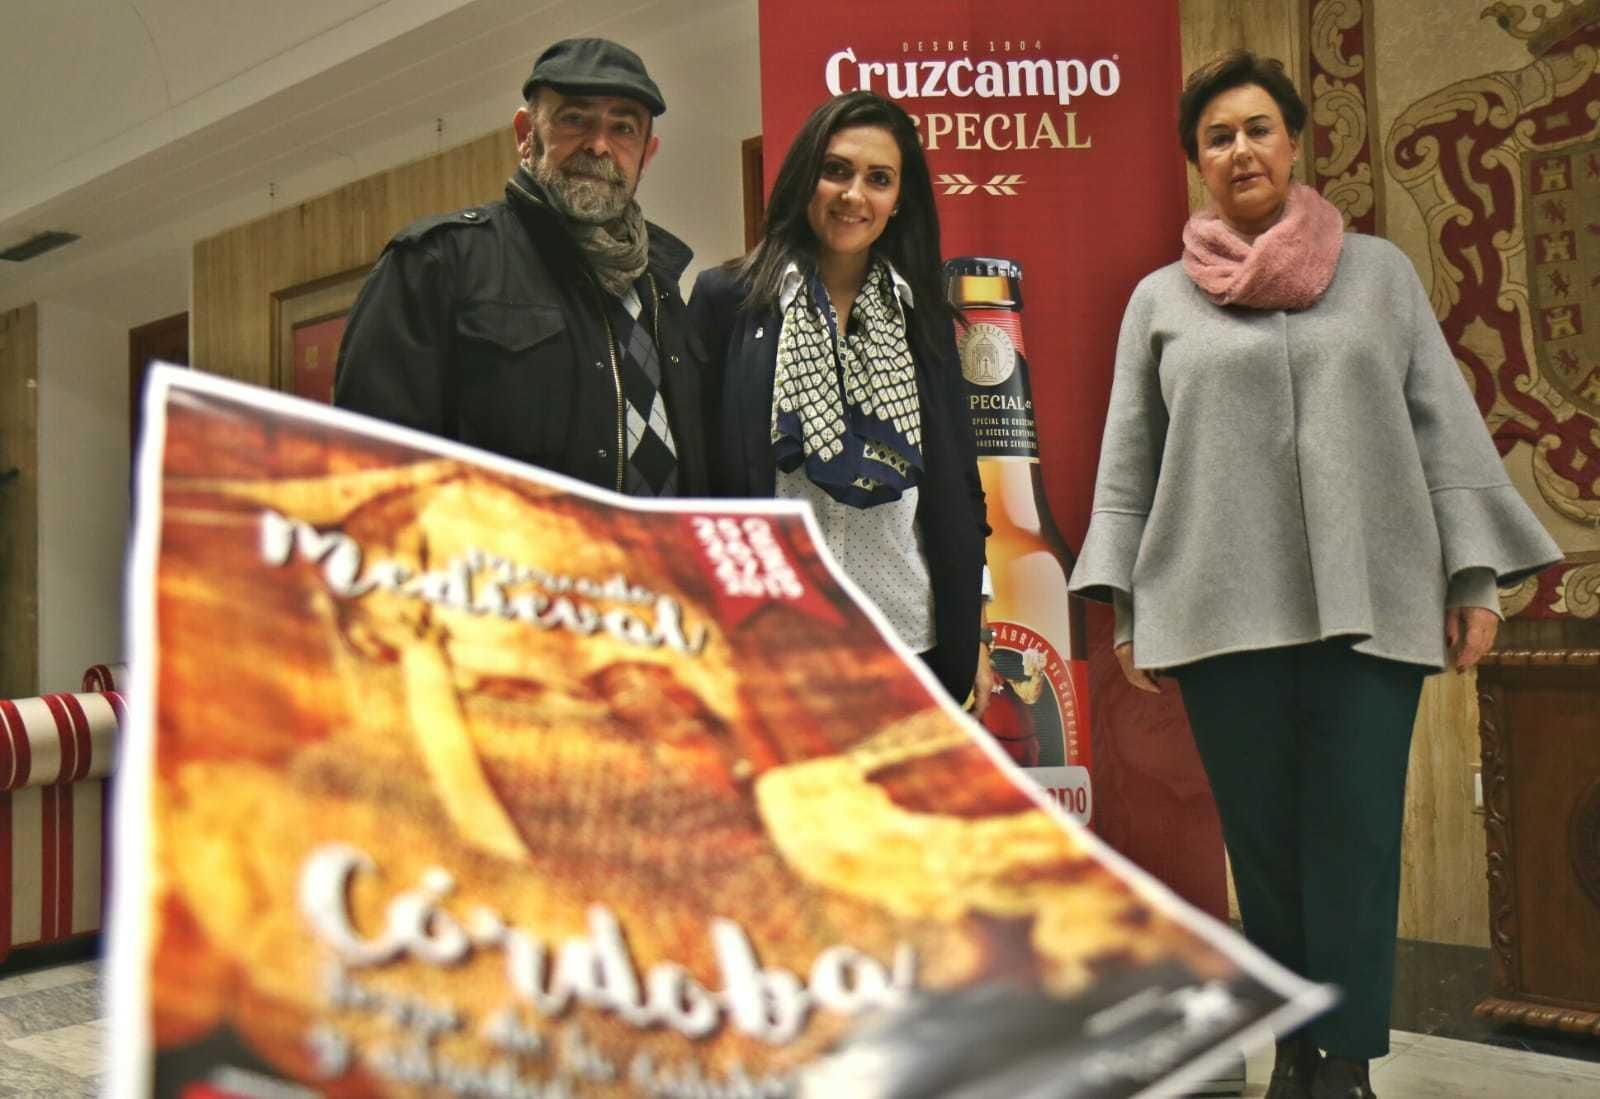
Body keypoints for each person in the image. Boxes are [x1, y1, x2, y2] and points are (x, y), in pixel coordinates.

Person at [1068, 51, 1561, 1099]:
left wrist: (1472, 579)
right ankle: (1295, 1049)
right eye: (1216, 136)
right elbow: (1130, 457)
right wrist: (1124, 606)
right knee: (1265, 841)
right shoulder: (1158, 299)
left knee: (1353, 834)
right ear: (1195, 163)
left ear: (1294, 144)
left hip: (1371, 600)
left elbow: (1444, 427)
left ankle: (1344, 1061)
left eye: (1256, 128)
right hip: (1213, 609)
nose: (1238, 149)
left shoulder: (1377, 273)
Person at [687, 92, 992, 712]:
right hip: (775, 644)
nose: (855, 195)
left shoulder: (923, 318)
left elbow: (961, 481)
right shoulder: (729, 302)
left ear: (898, 199)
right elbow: (696, 480)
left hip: (909, 638)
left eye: (879, 179)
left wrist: (976, 630)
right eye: (837, 171)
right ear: (806, 177)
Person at [335, 37, 706, 497]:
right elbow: (369, 476)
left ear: (646, 155)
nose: (598, 145)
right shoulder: (437, 263)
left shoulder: (662, 291)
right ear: (525, 133)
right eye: (574, 119)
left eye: (624, 128)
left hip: (661, 568)